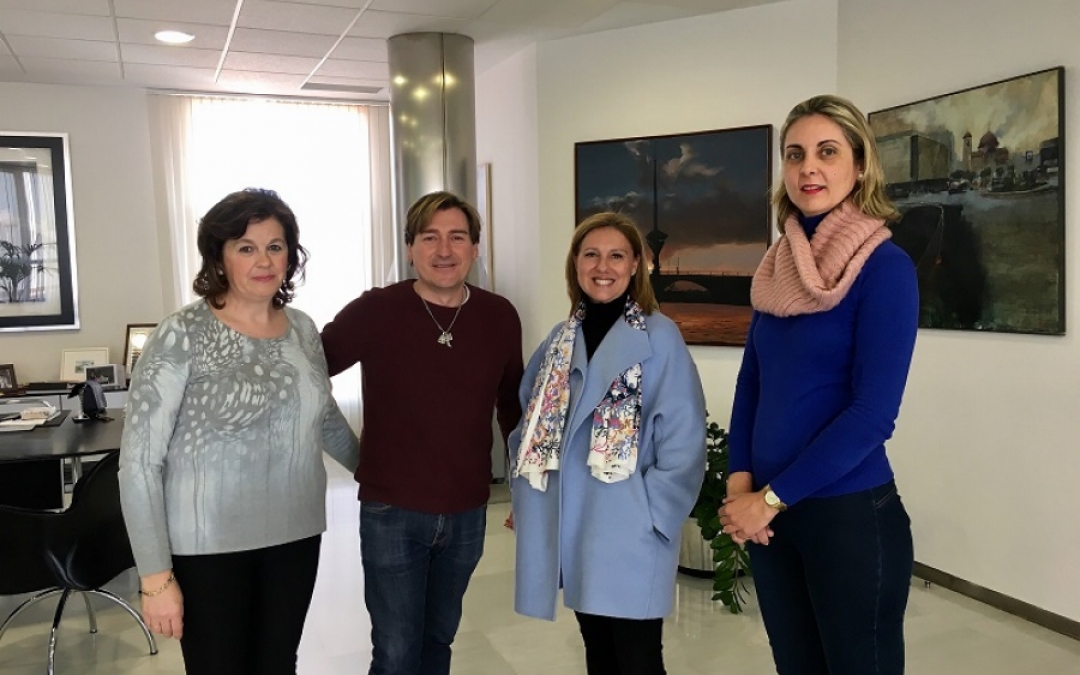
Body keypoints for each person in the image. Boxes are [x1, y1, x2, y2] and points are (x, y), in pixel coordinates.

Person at [119, 188, 360, 675]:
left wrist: (375, 474)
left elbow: (324, 416)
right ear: (219, 256)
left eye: (275, 246)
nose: (264, 261)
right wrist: (155, 577)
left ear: (290, 255)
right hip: (207, 546)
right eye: (246, 247)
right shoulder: (181, 333)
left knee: (278, 664)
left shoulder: (302, 329)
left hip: (296, 535)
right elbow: (140, 463)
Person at [719, 94, 919, 675]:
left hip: (848, 518)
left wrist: (767, 500)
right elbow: (753, 383)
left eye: (827, 152)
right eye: (795, 154)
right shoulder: (777, 265)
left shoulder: (885, 269)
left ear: (859, 165)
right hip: (772, 520)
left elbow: (872, 415)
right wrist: (740, 485)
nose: (808, 167)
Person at [320, 190, 523, 675]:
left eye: (457, 237)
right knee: (395, 651)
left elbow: (513, 410)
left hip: (468, 509)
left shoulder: (499, 315)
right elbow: (307, 371)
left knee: (439, 640)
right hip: (392, 510)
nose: (444, 250)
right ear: (410, 248)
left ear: (475, 248)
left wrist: (525, 489)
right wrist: (348, 451)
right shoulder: (376, 310)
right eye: (430, 237)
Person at [508, 212, 706, 675]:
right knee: (597, 652)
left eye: (616, 255)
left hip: (631, 526)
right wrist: (529, 496)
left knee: (638, 658)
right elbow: (528, 421)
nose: (603, 266)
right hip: (576, 523)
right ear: (575, 263)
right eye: (591, 254)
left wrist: (654, 513)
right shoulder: (561, 339)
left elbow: (684, 437)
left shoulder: (660, 336)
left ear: (636, 264)